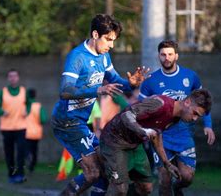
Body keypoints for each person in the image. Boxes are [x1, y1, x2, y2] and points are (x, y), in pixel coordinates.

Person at [51, 14, 148, 196]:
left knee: (105, 167)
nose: (111, 45)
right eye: (108, 39)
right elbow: (64, 91)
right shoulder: (77, 57)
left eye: (113, 40)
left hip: (79, 122)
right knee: (93, 172)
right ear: (95, 34)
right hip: (67, 122)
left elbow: (116, 82)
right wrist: (96, 91)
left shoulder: (104, 57)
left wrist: (132, 84)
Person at [100, 89, 213, 195]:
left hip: (134, 144)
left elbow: (156, 134)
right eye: (195, 113)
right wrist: (142, 130)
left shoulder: (176, 118)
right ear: (187, 102)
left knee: (146, 187)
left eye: (198, 116)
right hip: (114, 140)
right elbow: (127, 115)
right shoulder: (160, 104)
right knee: (120, 189)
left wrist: (166, 163)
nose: (194, 119)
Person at [139, 40, 216, 195]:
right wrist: (144, 130)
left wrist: (208, 124)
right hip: (161, 136)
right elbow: (140, 109)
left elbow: (203, 102)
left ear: (176, 56)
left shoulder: (190, 76)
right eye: (163, 55)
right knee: (164, 179)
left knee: (187, 177)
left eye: (170, 54)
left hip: (184, 135)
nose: (166, 58)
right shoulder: (150, 80)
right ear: (158, 56)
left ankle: (178, 187)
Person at [0, 69, 30, 183]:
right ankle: (11, 175)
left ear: (18, 78)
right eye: (10, 76)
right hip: (7, 128)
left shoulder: (24, 91)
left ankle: (20, 175)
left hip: (21, 127)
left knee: (21, 153)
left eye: (15, 76)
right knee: (9, 154)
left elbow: (29, 104)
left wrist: (27, 111)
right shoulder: (2, 92)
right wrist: (1, 112)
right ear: (8, 78)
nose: (13, 78)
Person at [24, 88, 48, 173]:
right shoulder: (38, 106)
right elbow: (43, 119)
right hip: (36, 133)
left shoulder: (24, 106)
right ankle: (32, 167)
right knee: (34, 150)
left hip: (25, 132)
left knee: (25, 149)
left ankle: (27, 158)